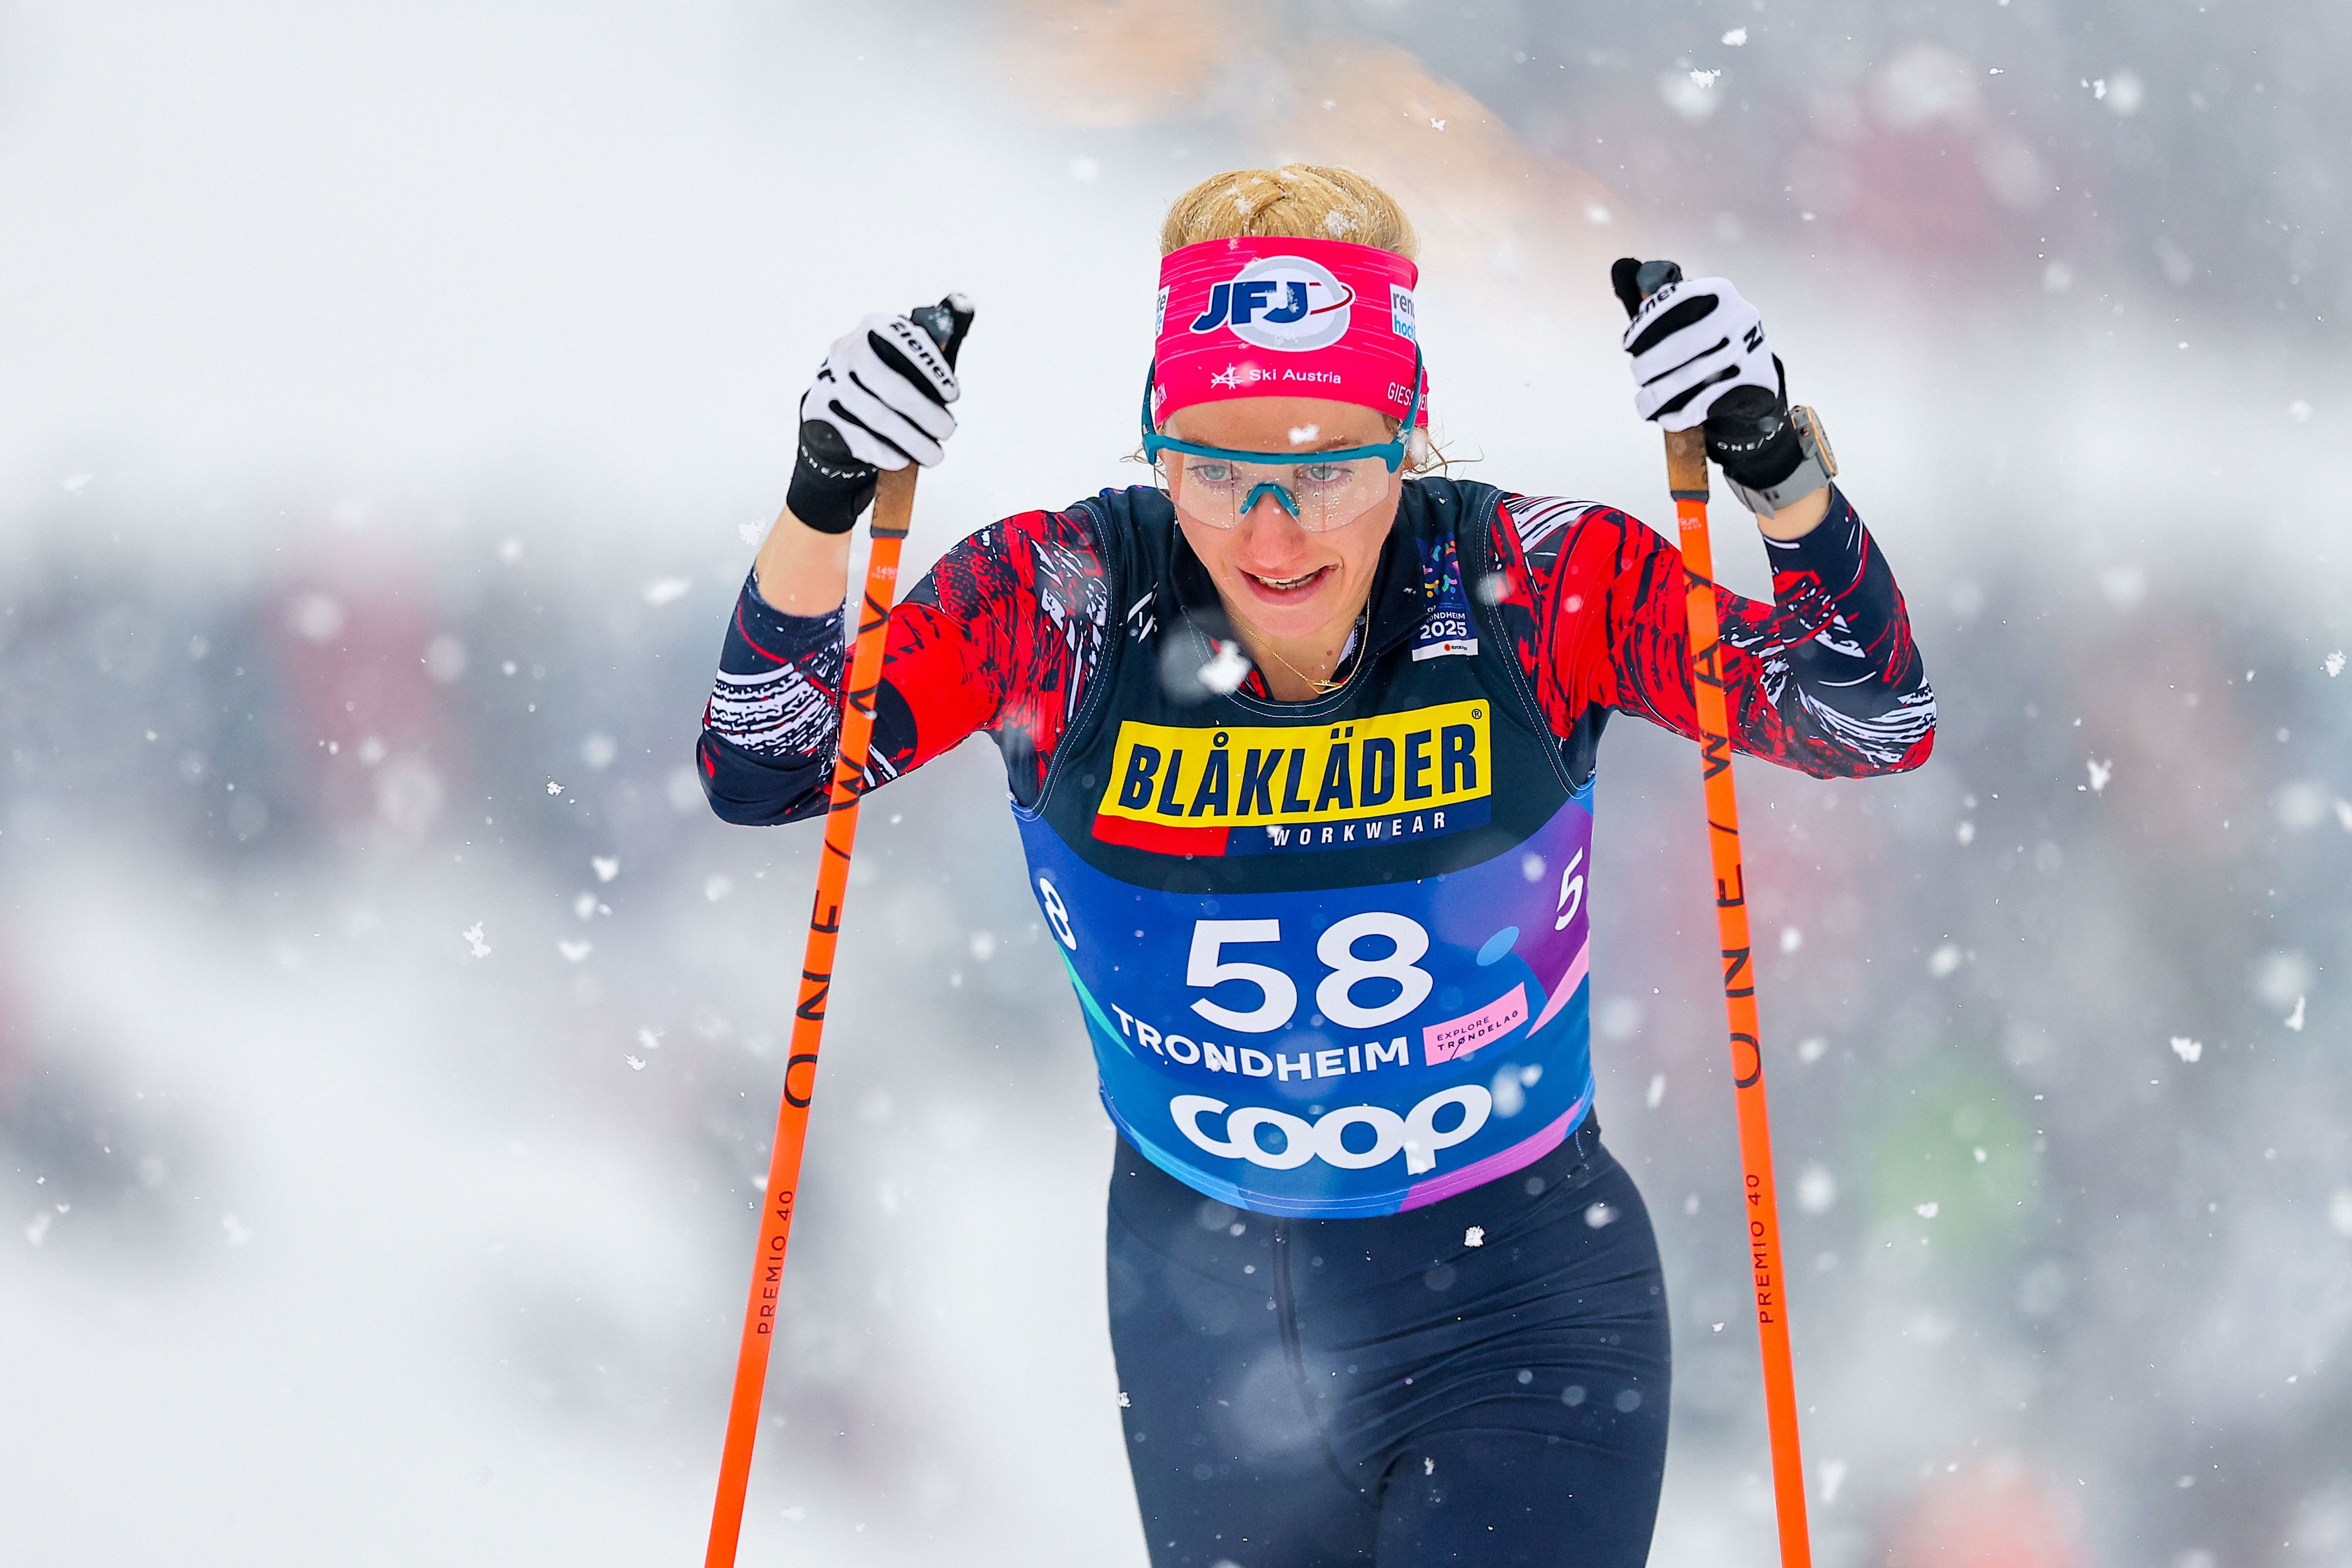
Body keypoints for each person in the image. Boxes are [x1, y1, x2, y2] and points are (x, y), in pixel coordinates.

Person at [698, 163, 1935, 1566]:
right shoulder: (1064, 604)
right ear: (1156, 450)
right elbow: (769, 762)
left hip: (1516, 1310)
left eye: (1328, 465)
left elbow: (1866, 713)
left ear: (1406, 438)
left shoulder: (1527, 583)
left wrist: (1773, 465)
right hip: (1207, 1335)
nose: (1272, 528)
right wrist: (821, 495)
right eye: (1219, 467)